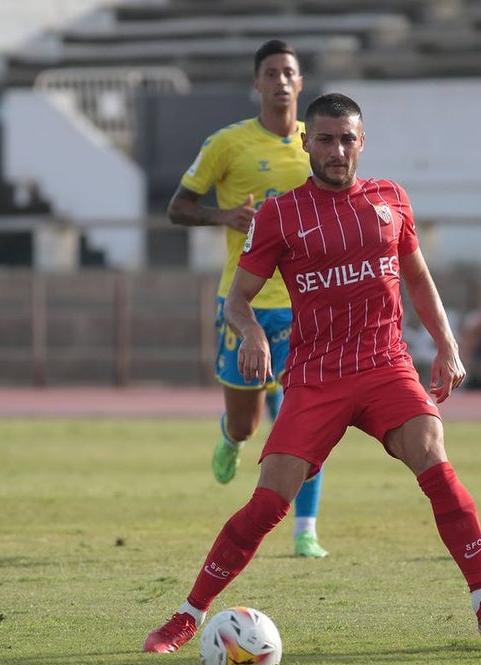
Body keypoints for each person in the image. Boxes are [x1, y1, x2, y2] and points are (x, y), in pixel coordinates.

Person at [144, 93, 481, 654]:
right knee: (267, 504)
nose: (338, 149)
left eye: (347, 138)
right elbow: (237, 299)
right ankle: (186, 615)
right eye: (325, 138)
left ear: (361, 142)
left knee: (436, 463)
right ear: (306, 143)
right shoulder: (278, 214)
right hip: (317, 376)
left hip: (385, 364)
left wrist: (446, 346)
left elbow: (418, 280)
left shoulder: (391, 199)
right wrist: (250, 333)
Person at [166, 40, 328, 558]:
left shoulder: (320, 143)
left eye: (290, 73)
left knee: (304, 423)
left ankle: (306, 530)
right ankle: (231, 438)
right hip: (246, 301)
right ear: (257, 84)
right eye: (272, 73)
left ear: (301, 84)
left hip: (309, 304)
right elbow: (178, 207)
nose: (281, 81)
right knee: (248, 421)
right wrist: (225, 216)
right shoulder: (228, 144)